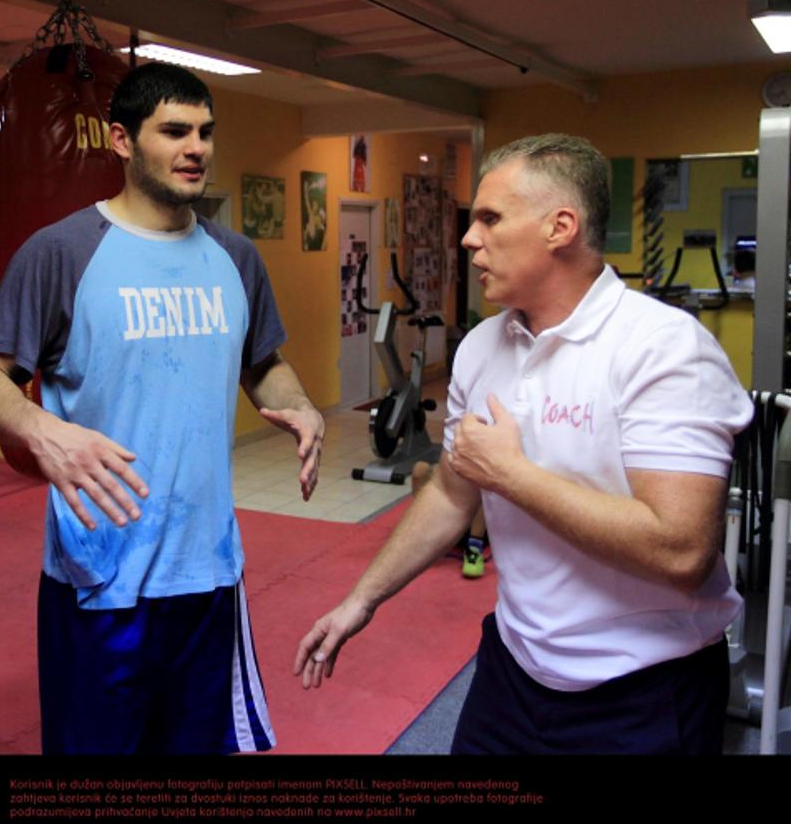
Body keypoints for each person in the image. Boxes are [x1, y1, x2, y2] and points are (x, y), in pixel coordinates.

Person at [294, 134, 752, 754]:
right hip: (514, 670)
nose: (468, 238)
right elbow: (455, 492)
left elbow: (680, 551)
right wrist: (361, 600)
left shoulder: (664, 349)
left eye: (490, 218)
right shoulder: (483, 345)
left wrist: (512, 475)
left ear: (560, 227)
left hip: (642, 688)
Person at [0, 63, 324, 755]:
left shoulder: (235, 257)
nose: (197, 148)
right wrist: (44, 430)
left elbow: (263, 363)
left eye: (206, 133)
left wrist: (301, 406)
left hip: (207, 570)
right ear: (122, 141)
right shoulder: (62, 252)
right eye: (176, 131)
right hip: (101, 574)